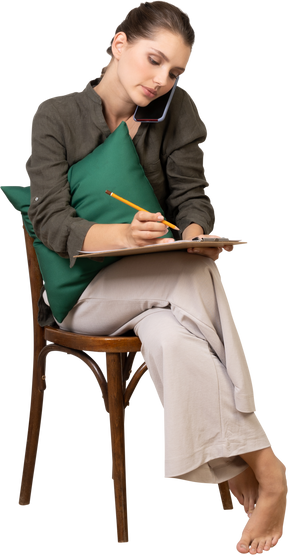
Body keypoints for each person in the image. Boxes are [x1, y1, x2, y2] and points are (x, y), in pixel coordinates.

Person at [24, 2, 287, 553]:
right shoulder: (56, 115)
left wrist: (192, 231)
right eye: (153, 60)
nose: (160, 80)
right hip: (85, 294)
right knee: (190, 279)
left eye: (175, 71)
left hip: (161, 284)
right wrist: (125, 238)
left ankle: (228, 454)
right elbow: (50, 223)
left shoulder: (177, 110)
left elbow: (194, 195)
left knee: (172, 330)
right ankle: (269, 463)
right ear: (117, 44)